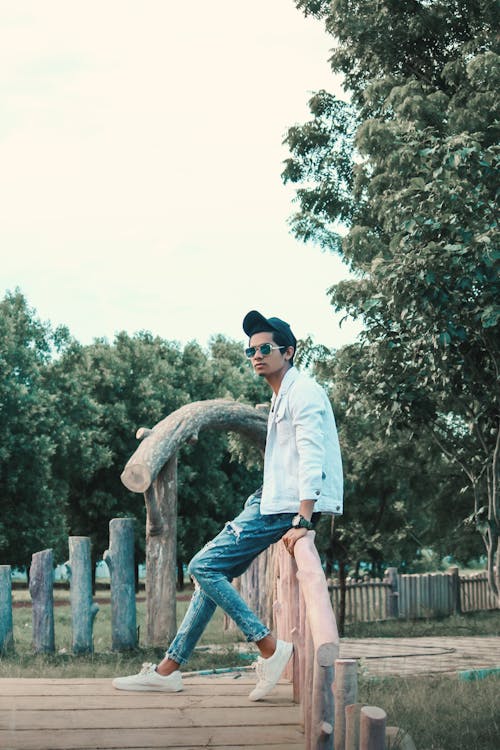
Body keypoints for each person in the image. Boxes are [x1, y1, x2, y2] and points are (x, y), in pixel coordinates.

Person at [112, 310, 343, 700]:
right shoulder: (282, 393)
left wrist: (303, 516)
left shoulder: (302, 393)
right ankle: (169, 670)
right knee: (210, 575)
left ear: (287, 352)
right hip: (273, 498)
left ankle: (268, 648)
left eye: (264, 347)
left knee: (201, 565)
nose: (256, 354)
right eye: (250, 349)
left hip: (285, 507)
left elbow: (312, 455)